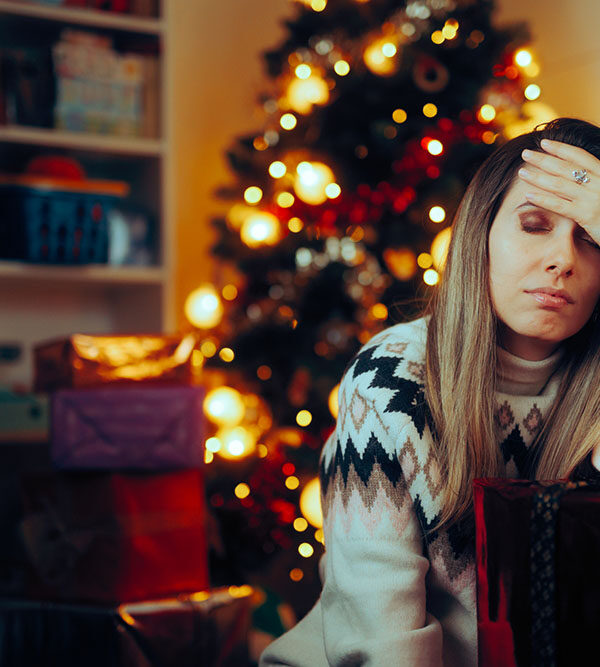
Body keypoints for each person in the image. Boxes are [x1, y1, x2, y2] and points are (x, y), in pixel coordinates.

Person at [259, 117, 600, 667]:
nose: (563, 258)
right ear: (480, 234)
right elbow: (382, 644)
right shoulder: (392, 380)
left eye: (591, 236)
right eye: (535, 225)